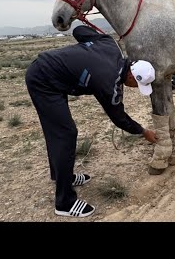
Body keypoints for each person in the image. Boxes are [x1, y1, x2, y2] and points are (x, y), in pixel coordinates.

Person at [25, 25, 157, 218]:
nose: (135, 88)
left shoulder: (110, 44)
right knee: (65, 134)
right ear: (130, 75)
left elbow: (78, 30)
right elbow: (119, 118)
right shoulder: (108, 82)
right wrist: (143, 131)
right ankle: (64, 202)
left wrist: (91, 47)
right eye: (136, 84)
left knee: (58, 132)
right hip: (43, 80)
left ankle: (62, 176)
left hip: (50, 71)